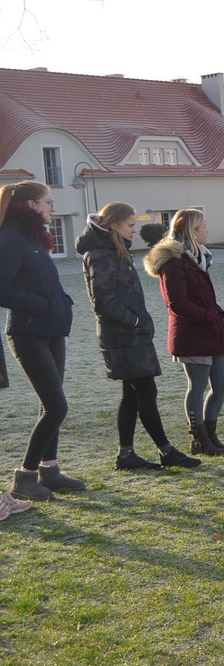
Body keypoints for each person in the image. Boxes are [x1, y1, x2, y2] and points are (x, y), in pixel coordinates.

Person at [79, 202, 201, 468]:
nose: (136, 230)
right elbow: (103, 302)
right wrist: (134, 321)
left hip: (131, 336)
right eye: (130, 225)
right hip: (123, 338)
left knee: (133, 394)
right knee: (146, 391)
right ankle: (166, 451)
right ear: (114, 225)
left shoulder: (114, 249)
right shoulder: (101, 254)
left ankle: (126, 455)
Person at [0, 181, 81, 504]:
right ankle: (25, 478)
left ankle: (50, 470)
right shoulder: (10, 239)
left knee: (51, 404)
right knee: (57, 406)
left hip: (51, 330)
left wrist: (61, 301)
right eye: (48, 202)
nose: (53, 207)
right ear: (31, 205)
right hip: (28, 332)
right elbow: (2, 288)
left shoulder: (34, 238)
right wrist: (44, 305)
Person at [143, 208, 224, 456]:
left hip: (210, 331)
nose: (208, 230)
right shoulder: (173, 262)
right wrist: (208, 316)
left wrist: (215, 313)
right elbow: (177, 303)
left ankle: (211, 436)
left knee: (222, 384)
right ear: (192, 231)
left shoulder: (196, 257)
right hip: (192, 334)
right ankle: (199, 439)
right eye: (204, 226)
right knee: (197, 386)